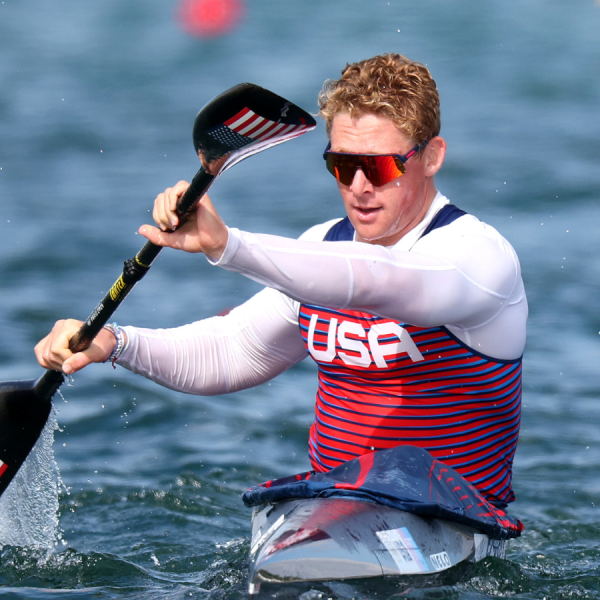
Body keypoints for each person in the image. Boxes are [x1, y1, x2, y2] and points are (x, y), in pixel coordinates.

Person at [35, 53, 527, 509]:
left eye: (379, 166)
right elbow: (230, 352)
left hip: (457, 522)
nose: (359, 187)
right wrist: (114, 343)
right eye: (343, 165)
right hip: (330, 511)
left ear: (432, 156)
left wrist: (228, 246)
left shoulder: (479, 258)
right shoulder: (319, 247)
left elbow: (378, 280)